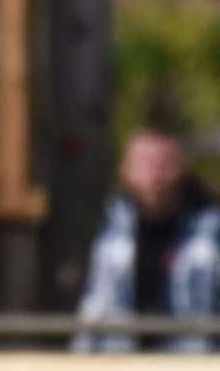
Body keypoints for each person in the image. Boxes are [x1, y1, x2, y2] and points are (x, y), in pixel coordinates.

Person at [76, 128, 220, 352]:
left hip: (194, 365)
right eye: (143, 164)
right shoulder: (109, 226)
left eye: (162, 164)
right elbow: (96, 303)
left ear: (180, 168)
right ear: (125, 169)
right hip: (120, 364)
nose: (154, 175)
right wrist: (80, 359)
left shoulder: (210, 228)